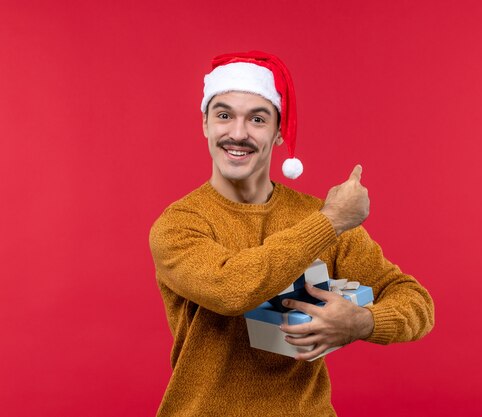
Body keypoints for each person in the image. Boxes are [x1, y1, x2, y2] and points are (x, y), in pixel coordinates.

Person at [148, 51, 434, 417]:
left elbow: (415, 300)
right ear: (205, 124)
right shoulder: (180, 224)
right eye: (223, 115)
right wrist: (328, 222)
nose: (238, 133)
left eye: (257, 118)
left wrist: (364, 322)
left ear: (280, 131)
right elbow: (232, 289)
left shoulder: (316, 215)